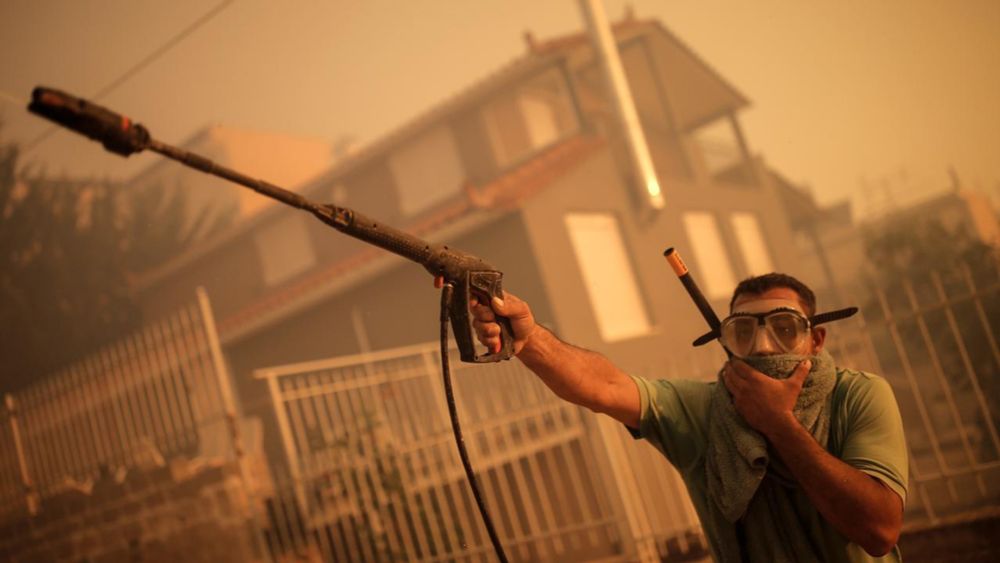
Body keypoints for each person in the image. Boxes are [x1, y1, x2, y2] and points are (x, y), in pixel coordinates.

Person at [469, 273, 907, 562]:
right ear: (727, 341)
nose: (763, 347)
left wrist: (779, 424)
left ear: (816, 340)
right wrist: (530, 338)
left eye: (785, 329)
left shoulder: (858, 396)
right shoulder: (705, 411)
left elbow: (879, 529)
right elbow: (605, 386)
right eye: (744, 332)